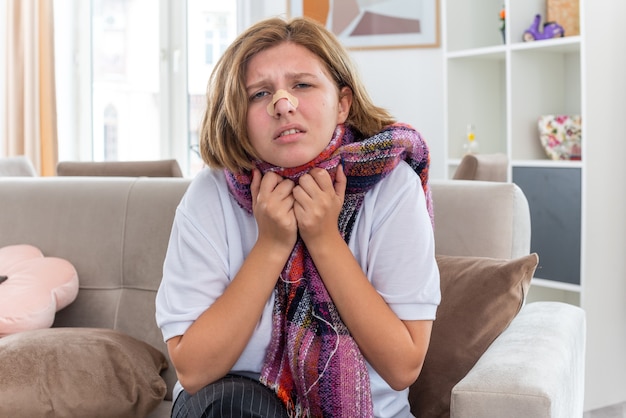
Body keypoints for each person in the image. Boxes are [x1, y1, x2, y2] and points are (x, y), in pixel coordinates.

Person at [156, 15, 440, 418]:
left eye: (302, 85)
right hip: (230, 407)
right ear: (239, 115)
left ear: (342, 104)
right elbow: (194, 369)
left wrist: (324, 240)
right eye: (259, 94)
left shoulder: (393, 188)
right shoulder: (210, 194)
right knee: (232, 405)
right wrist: (272, 244)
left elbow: (402, 366)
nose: (282, 103)